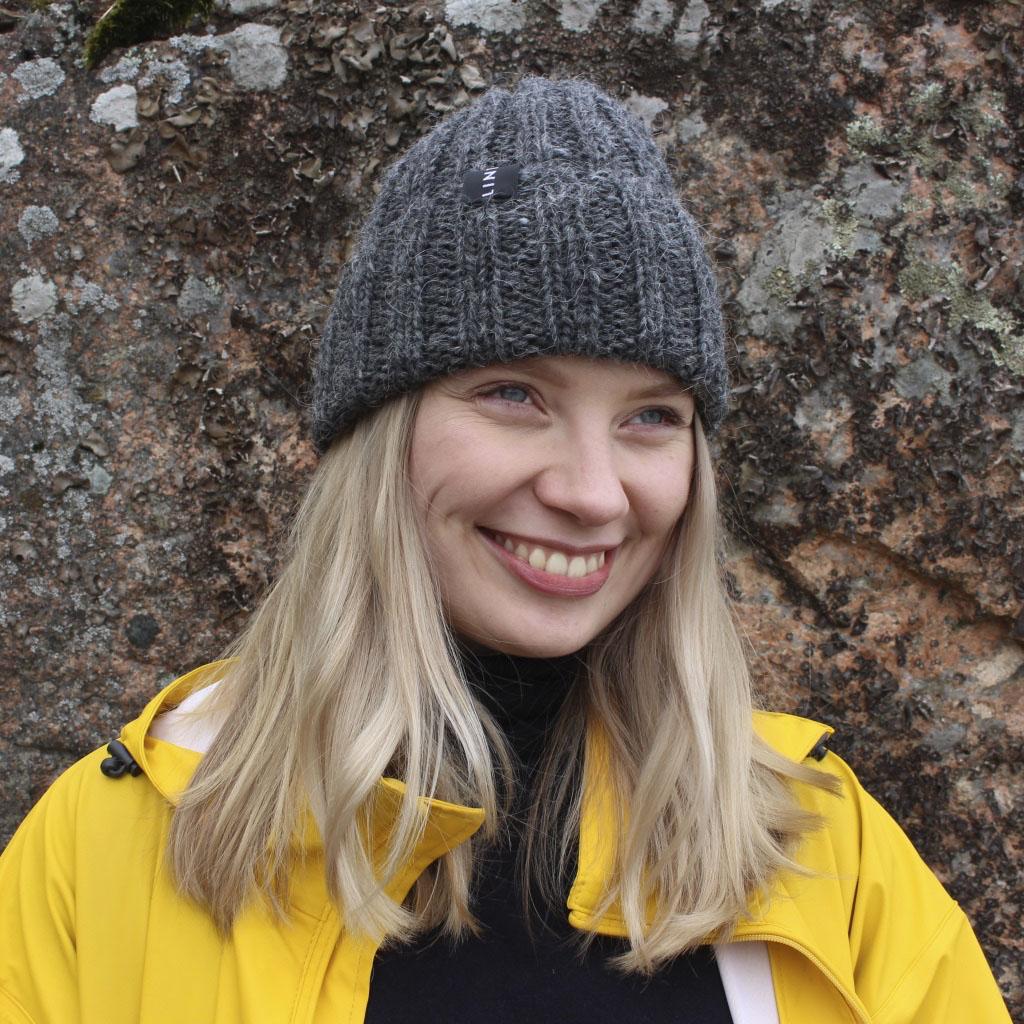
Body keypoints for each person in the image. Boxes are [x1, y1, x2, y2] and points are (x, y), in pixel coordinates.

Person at [0, 75, 1011, 1024]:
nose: (592, 491)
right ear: (381, 435)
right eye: (514, 395)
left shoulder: (826, 850)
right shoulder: (107, 844)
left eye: (651, 416)